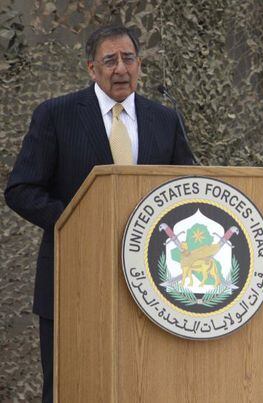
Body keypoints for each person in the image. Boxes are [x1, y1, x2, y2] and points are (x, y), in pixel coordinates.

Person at [4, 25, 194, 402]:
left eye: (128, 59)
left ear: (139, 64)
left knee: (140, 385)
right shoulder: (56, 115)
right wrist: (78, 221)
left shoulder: (165, 120)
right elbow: (21, 189)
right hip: (74, 278)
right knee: (70, 387)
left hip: (151, 284)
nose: (120, 68)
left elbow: (185, 190)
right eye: (110, 60)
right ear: (92, 69)